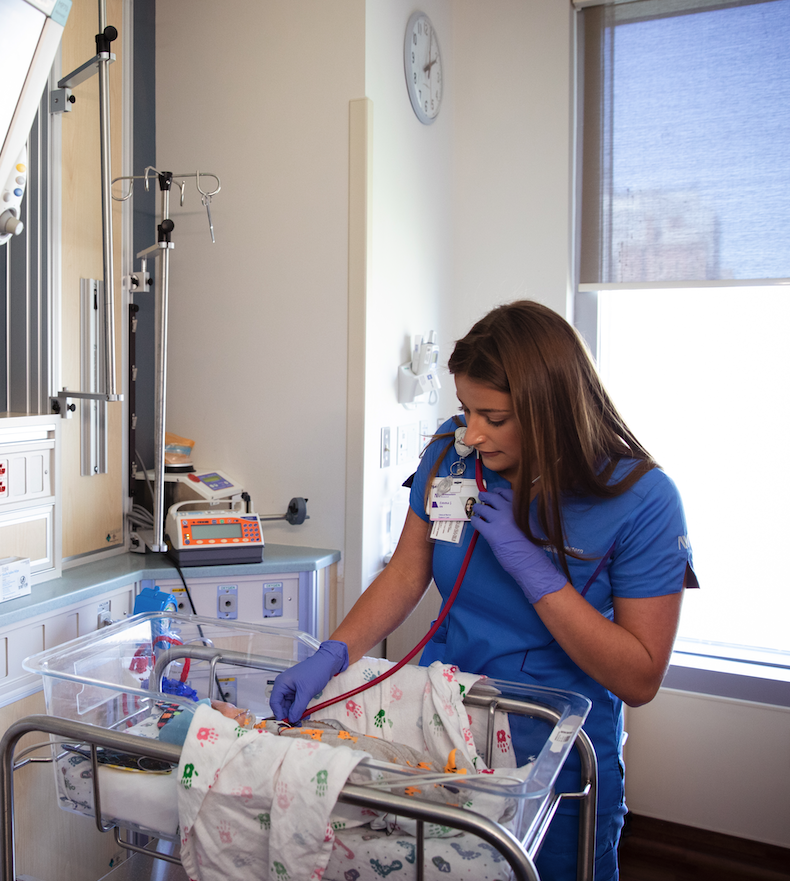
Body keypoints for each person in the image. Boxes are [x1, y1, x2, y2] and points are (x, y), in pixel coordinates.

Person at [270, 301, 696, 881]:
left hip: (550, 758)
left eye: (492, 417)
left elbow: (640, 676)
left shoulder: (642, 500)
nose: (470, 432)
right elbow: (405, 573)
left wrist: (535, 571)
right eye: (465, 409)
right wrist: (333, 654)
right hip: (443, 734)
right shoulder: (453, 455)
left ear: (552, 411)